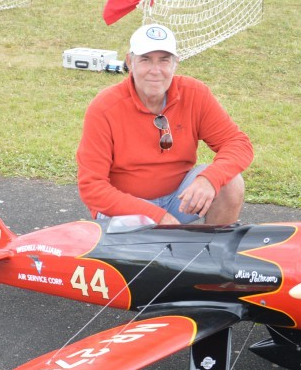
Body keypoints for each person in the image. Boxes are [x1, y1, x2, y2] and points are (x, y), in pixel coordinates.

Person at [76, 24, 253, 225]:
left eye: (164, 60)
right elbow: (92, 186)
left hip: (177, 199)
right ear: (129, 62)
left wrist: (210, 179)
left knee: (230, 182)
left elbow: (238, 143)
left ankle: (212, 252)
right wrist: (157, 217)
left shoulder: (195, 94)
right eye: (145, 60)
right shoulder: (104, 107)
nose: (155, 70)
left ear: (175, 63)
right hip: (126, 208)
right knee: (144, 250)